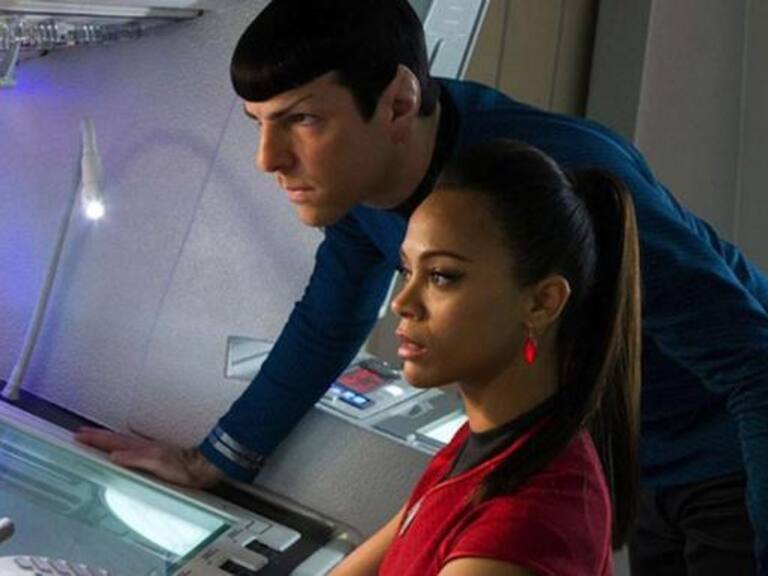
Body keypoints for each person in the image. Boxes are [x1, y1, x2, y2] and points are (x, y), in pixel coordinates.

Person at [75, 0, 768, 572]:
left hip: (729, 446)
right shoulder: (367, 177)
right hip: (635, 457)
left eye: (303, 119)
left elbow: (752, 363)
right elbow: (329, 320)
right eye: (260, 124)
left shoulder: (556, 175)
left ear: (399, 104)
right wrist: (213, 461)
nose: (267, 160)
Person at [328, 139, 641, 576]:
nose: (403, 302)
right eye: (407, 270)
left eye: (441, 276)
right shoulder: (482, 441)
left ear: (542, 303)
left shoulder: (528, 520)